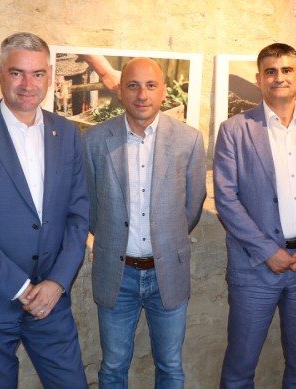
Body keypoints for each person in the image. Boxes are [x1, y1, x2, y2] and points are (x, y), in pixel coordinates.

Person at [0, 32, 89, 388]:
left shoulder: (67, 134)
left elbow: (78, 214)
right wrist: (20, 287)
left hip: (50, 299)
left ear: (49, 76)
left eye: (37, 74)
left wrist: (56, 283)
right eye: (17, 73)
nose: (28, 84)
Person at [213, 42, 296, 388]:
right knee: (239, 369)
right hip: (255, 268)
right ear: (259, 78)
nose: (279, 77)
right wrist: (266, 251)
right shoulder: (234, 129)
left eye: (286, 70)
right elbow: (226, 199)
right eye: (270, 71)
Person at [83, 57, 207, 388]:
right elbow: (90, 205)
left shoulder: (189, 140)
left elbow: (192, 205)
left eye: (151, 85)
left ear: (163, 91)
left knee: (170, 365)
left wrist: (167, 238)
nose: (142, 94)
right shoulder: (94, 140)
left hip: (167, 272)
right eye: (133, 85)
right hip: (117, 272)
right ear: (120, 91)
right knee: (112, 366)